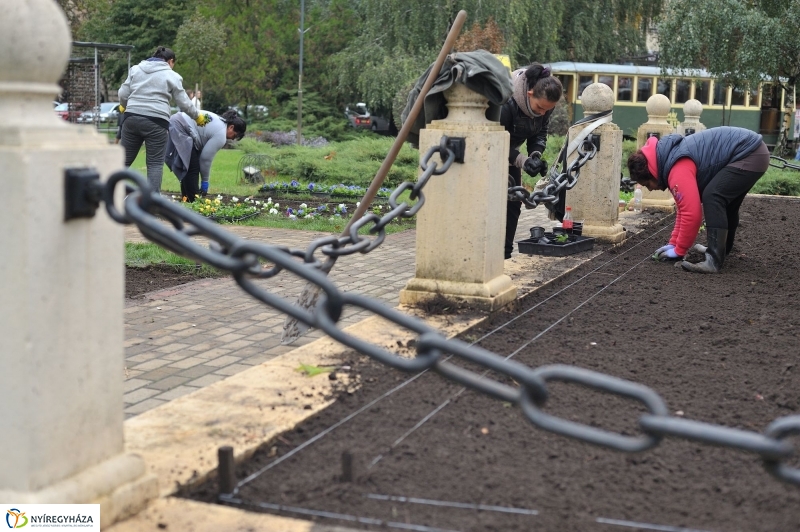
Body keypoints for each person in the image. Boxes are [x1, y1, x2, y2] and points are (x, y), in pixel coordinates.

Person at [627, 126, 769, 273]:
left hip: (749, 154)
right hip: (753, 152)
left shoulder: (676, 167)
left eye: (647, 184)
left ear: (651, 172)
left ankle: (713, 261)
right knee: (727, 204)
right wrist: (673, 243)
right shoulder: (670, 158)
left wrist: (679, 251)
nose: (650, 189)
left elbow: (691, 214)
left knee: (713, 196)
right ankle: (722, 249)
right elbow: (683, 209)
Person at [500, 63, 562, 259]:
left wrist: (535, 155)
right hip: (486, 154)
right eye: (540, 108)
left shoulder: (545, 106)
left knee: (512, 204)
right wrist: (522, 160)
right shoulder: (506, 103)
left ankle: (505, 255)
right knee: (491, 204)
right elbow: (494, 142)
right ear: (529, 94)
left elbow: (540, 132)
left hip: (511, 157)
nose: (543, 113)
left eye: (548, 110)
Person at [118, 46, 200, 193]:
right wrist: (197, 116)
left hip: (131, 117)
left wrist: (124, 105)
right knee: (155, 164)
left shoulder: (136, 69)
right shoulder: (172, 75)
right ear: (171, 61)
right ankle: (151, 203)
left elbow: (123, 93)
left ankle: (109, 193)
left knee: (122, 160)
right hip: (157, 121)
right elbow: (184, 102)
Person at [164, 109, 246, 202]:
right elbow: (205, 159)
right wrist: (205, 182)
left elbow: (202, 153)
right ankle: (194, 203)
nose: (232, 139)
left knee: (189, 166)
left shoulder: (220, 122)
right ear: (231, 127)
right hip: (180, 125)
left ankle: (187, 199)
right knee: (192, 168)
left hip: (178, 121)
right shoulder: (221, 135)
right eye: (234, 136)